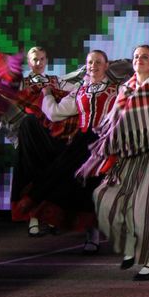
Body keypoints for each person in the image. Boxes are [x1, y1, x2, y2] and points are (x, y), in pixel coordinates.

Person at [80, 45, 149, 280]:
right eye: (136, 56)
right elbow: (115, 124)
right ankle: (131, 245)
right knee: (107, 198)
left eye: (145, 57)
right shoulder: (126, 89)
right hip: (129, 156)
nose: (139, 60)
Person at [19, 51, 118, 252]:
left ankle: (107, 232)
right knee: (71, 183)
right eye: (90, 62)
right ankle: (88, 232)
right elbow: (55, 113)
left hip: (106, 142)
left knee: (100, 187)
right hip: (83, 144)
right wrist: (47, 93)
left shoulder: (117, 90)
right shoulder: (80, 91)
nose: (93, 65)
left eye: (98, 62)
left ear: (106, 65)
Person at [11, 47, 72, 237]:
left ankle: (52, 218)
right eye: (35, 59)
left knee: (52, 173)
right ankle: (34, 219)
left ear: (46, 60)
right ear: (29, 62)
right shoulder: (21, 83)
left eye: (42, 59)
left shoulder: (56, 80)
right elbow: (12, 108)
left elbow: (74, 94)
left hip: (52, 134)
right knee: (31, 173)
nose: (38, 63)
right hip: (30, 135)